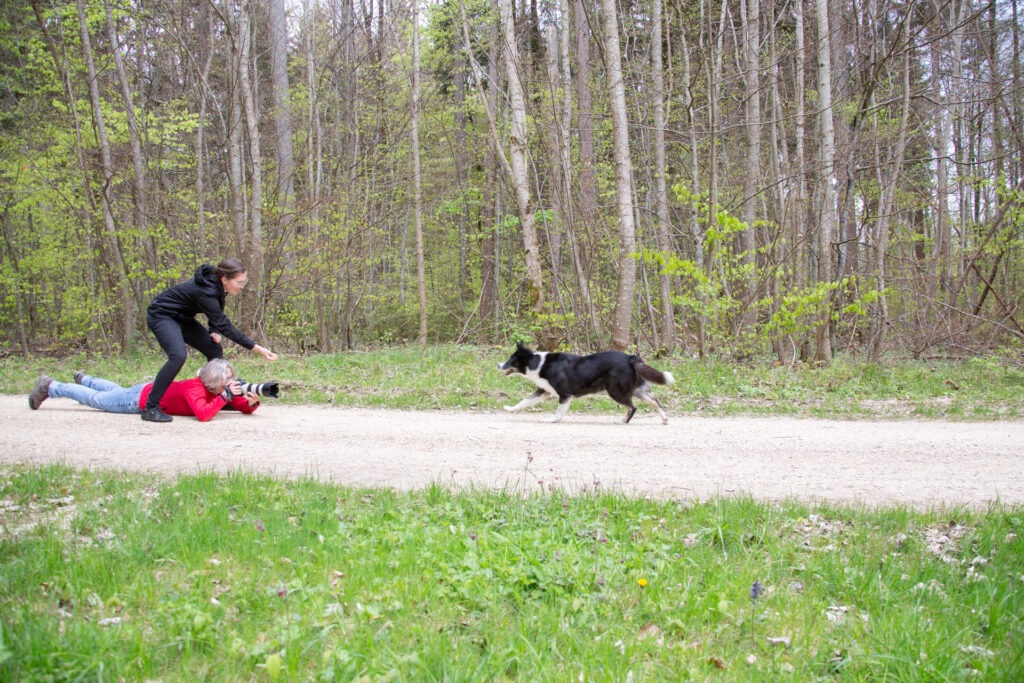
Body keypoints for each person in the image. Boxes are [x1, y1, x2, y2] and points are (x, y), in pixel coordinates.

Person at [143, 258, 277, 423]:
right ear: (224, 279)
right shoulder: (206, 290)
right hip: (162, 315)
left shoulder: (218, 288)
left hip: (183, 318)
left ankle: (217, 395)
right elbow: (225, 325)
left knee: (214, 350)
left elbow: (215, 313)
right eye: (240, 282)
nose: (242, 286)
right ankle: (150, 407)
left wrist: (214, 331)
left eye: (245, 281)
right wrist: (258, 348)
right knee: (178, 356)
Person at [27, 359, 260, 421]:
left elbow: (235, 405)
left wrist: (250, 402)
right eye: (228, 379)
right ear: (215, 379)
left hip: (145, 390)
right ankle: (52, 386)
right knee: (98, 400)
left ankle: (86, 378)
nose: (232, 382)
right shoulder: (194, 389)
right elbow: (203, 414)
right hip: (139, 400)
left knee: (115, 390)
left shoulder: (214, 390)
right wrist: (226, 396)